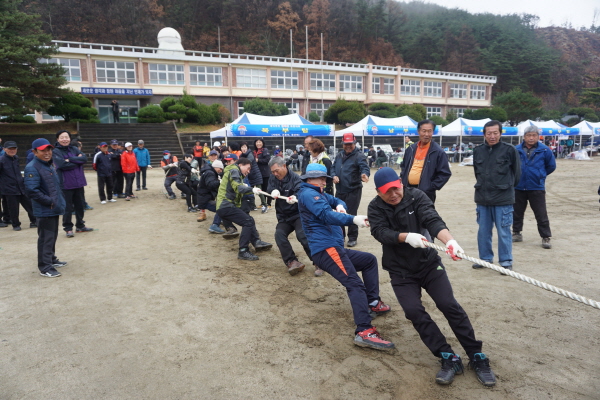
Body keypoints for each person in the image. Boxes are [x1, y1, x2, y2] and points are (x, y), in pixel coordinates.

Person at [368, 167, 496, 387]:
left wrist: (450, 241)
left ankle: (475, 354)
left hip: (428, 264)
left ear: (401, 183)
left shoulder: (417, 196)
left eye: (396, 188)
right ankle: (447, 355)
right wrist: (406, 237)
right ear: (379, 192)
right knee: (413, 311)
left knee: (448, 304)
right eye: (387, 191)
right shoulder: (375, 207)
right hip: (400, 270)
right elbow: (380, 232)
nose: (393, 194)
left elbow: (432, 219)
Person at [297, 163, 394, 350]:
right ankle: (364, 331)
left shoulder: (319, 193)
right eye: (320, 178)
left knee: (369, 260)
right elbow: (326, 215)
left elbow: (337, 200)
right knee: (355, 284)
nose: (324, 181)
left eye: (325, 178)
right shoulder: (309, 194)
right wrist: (353, 219)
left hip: (333, 248)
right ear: (309, 179)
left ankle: (372, 302)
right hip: (326, 249)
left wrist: (341, 206)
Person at [472, 120, 520, 271]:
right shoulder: (478, 150)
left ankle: (505, 261)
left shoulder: (510, 150)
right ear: (484, 134)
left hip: (503, 198)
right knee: (483, 231)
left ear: (500, 133)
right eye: (489, 133)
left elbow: (517, 174)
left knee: (504, 231)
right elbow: (477, 173)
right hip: (482, 197)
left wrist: (505, 187)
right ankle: (485, 259)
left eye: (495, 133)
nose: (492, 136)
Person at [267, 157, 323, 276]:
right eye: (273, 172)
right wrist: (273, 191)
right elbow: (269, 188)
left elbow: (300, 191)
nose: (275, 174)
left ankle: (319, 262)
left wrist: (295, 197)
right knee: (279, 235)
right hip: (283, 216)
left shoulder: (296, 178)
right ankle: (292, 261)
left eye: (277, 171)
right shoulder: (273, 178)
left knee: (302, 235)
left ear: (284, 166)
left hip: (298, 214)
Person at [24, 138, 68, 278]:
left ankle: (51, 259)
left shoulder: (48, 165)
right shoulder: (32, 167)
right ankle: (45, 267)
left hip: (52, 207)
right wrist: (50, 201)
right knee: (46, 238)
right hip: (45, 209)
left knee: (52, 236)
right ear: (35, 152)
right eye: (43, 150)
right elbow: (32, 191)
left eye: (49, 149)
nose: (47, 152)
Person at [216, 158, 273, 261]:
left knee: (249, 219)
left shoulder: (234, 172)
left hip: (226, 205)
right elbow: (238, 188)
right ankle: (243, 250)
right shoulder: (234, 170)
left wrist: (245, 187)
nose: (249, 171)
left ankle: (256, 242)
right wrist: (252, 189)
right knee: (248, 221)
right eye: (248, 168)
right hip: (225, 205)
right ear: (241, 165)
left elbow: (236, 186)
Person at [512, 126, 556, 249]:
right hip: (519, 186)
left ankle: (545, 236)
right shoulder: (516, 149)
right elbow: (511, 165)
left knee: (541, 213)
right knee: (516, 212)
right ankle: (516, 233)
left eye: (534, 135)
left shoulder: (545, 150)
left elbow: (551, 166)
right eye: (528, 135)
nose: (531, 138)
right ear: (524, 137)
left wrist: (540, 175)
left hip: (536, 186)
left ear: (538, 136)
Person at [331, 132, 370, 247]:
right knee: (339, 213)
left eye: (350, 144)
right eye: (345, 144)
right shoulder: (339, 155)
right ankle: (340, 236)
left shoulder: (359, 156)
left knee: (351, 214)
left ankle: (352, 238)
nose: (348, 146)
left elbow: (364, 168)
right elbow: (333, 168)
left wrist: (364, 174)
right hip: (340, 189)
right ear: (342, 144)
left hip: (353, 190)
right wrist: (334, 175)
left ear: (355, 143)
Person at [400, 119, 452, 204]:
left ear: (433, 132)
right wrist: (403, 180)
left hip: (426, 193)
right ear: (418, 131)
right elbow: (404, 166)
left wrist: (430, 187)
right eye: (424, 131)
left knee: (424, 212)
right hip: (407, 190)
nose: (426, 134)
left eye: (429, 131)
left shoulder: (438, 151)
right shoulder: (411, 149)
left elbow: (445, 173)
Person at [53, 130, 93, 238]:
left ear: (70, 138)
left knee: (80, 206)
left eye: (66, 137)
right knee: (67, 208)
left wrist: (70, 159)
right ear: (57, 139)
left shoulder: (74, 148)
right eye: (62, 137)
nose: (64, 139)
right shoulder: (56, 151)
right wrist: (77, 161)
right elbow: (61, 164)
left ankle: (80, 225)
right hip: (66, 184)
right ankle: (68, 228)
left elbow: (84, 159)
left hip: (79, 182)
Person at [0, 141, 36, 231]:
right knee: (13, 208)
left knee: (29, 204)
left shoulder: (16, 158)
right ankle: (15, 224)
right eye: (10, 149)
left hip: (21, 186)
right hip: (9, 188)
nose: (12, 150)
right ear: (4, 149)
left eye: (14, 148)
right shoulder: (1, 160)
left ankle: (34, 221)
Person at [197, 160, 230, 234]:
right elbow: (210, 184)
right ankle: (214, 225)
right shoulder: (210, 173)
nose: (220, 171)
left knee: (221, 207)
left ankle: (221, 219)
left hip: (203, 198)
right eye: (220, 169)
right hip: (205, 199)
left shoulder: (208, 172)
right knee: (221, 208)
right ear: (216, 167)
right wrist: (220, 182)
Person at [240, 142, 263, 212]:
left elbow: (247, 163)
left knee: (259, 190)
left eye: (245, 147)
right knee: (250, 190)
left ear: (247, 148)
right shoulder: (241, 155)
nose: (243, 148)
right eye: (242, 147)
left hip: (255, 174)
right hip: (249, 175)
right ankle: (252, 205)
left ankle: (265, 204)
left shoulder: (250, 154)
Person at [253, 139, 271, 213]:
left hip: (265, 172)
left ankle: (269, 203)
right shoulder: (254, 152)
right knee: (261, 189)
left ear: (263, 143)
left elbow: (267, 160)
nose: (258, 143)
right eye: (257, 142)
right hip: (258, 173)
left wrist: (258, 160)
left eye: (260, 142)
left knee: (267, 188)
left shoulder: (265, 150)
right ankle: (263, 203)